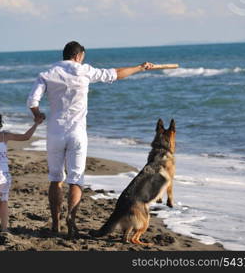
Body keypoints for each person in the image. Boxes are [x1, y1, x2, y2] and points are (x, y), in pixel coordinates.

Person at [27, 41, 155, 238]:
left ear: (65, 55)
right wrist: (140, 67)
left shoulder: (47, 73)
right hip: (77, 133)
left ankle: (55, 223)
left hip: (54, 132)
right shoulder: (84, 71)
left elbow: (32, 101)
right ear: (79, 56)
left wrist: (37, 114)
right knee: (76, 179)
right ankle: (72, 219)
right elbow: (116, 73)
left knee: (55, 178)